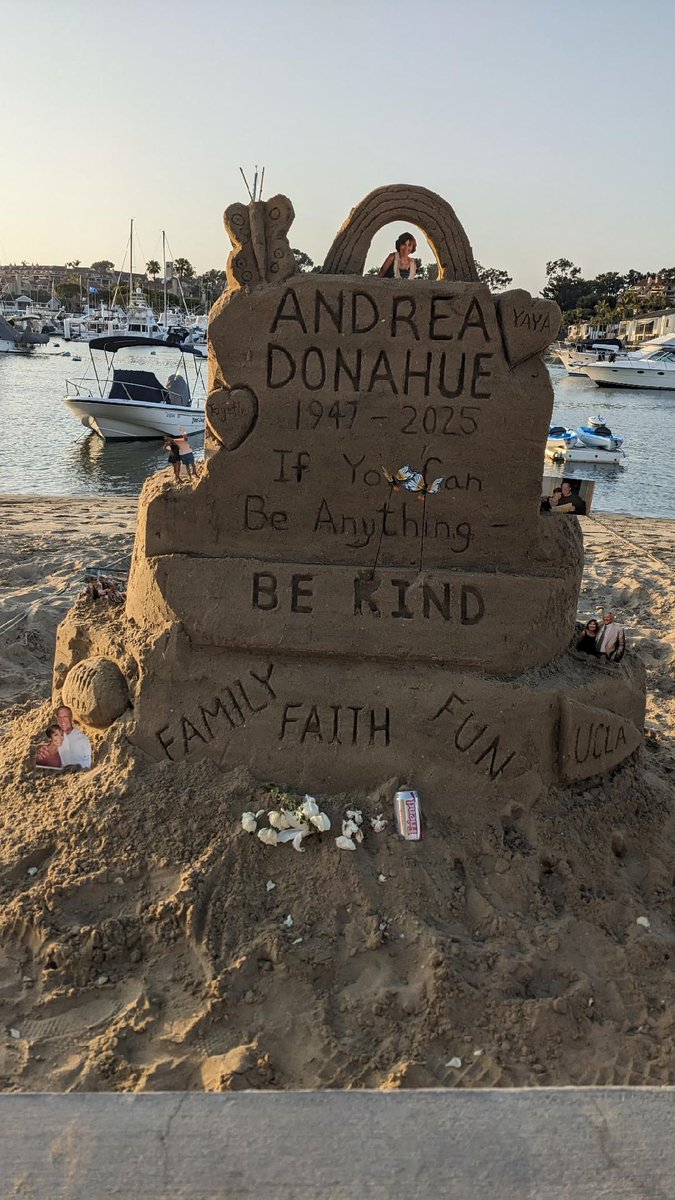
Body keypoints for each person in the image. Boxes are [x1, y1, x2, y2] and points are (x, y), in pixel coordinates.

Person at [55, 705, 92, 769]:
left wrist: (77, 768)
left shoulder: (82, 738)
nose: (62, 721)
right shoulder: (55, 740)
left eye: (65, 717)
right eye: (60, 718)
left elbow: (87, 762)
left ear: (71, 718)